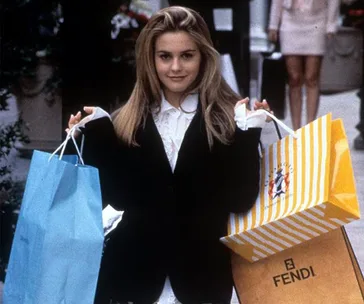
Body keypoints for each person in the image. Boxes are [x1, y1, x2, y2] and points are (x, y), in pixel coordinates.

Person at [67, 6, 271, 304]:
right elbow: (116, 196)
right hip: (133, 279)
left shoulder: (226, 121)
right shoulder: (128, 121)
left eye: (187, 55)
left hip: (201, 280)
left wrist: (249, 133)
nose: (176, 67)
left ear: (204, 58)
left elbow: (240, 199)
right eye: (165, 56)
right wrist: (96, 136)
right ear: (151, 60)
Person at [268, 0, 340, 130]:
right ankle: (296, 129)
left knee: (312, 77)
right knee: (294, 78)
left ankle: (309, 127)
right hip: (290, 20)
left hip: (317, 21)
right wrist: (273, 24)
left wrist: (331, 24)